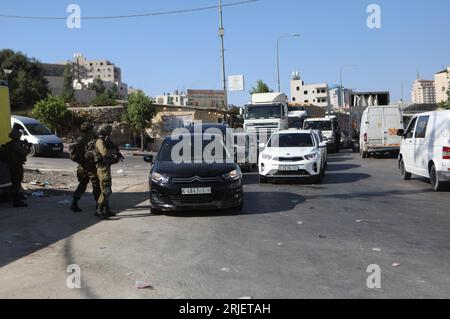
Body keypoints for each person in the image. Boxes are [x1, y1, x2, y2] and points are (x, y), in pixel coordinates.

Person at [70, 122, 101, 213]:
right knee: (96, 186)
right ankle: (98, 206)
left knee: (83, 185)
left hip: (85, 167)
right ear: (89, 129)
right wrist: (83, 159)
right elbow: (73, 154)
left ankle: (74, 204)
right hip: (89, 166)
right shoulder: (82, 140)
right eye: (91, 129)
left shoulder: (85, 138)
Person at [94, 124, 121, 219]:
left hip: (105, 168)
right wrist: (113, 151)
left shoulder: (105, 141)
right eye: (109, 132)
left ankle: (106, 209)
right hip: (102, 170)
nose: (110, 134)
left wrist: (115, 158)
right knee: (106, 190)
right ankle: (99, 210)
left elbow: (107, 158)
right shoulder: (100, 141)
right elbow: (105, 153)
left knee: (106, 190)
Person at [4, 127, 31, 207]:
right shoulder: (16, 145)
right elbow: (25, 152)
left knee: (14, 182)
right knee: (17, 181)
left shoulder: (9, 144)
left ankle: (16, 198)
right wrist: (28, 147)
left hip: (11, 165)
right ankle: (16, 201)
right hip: (16, 165)